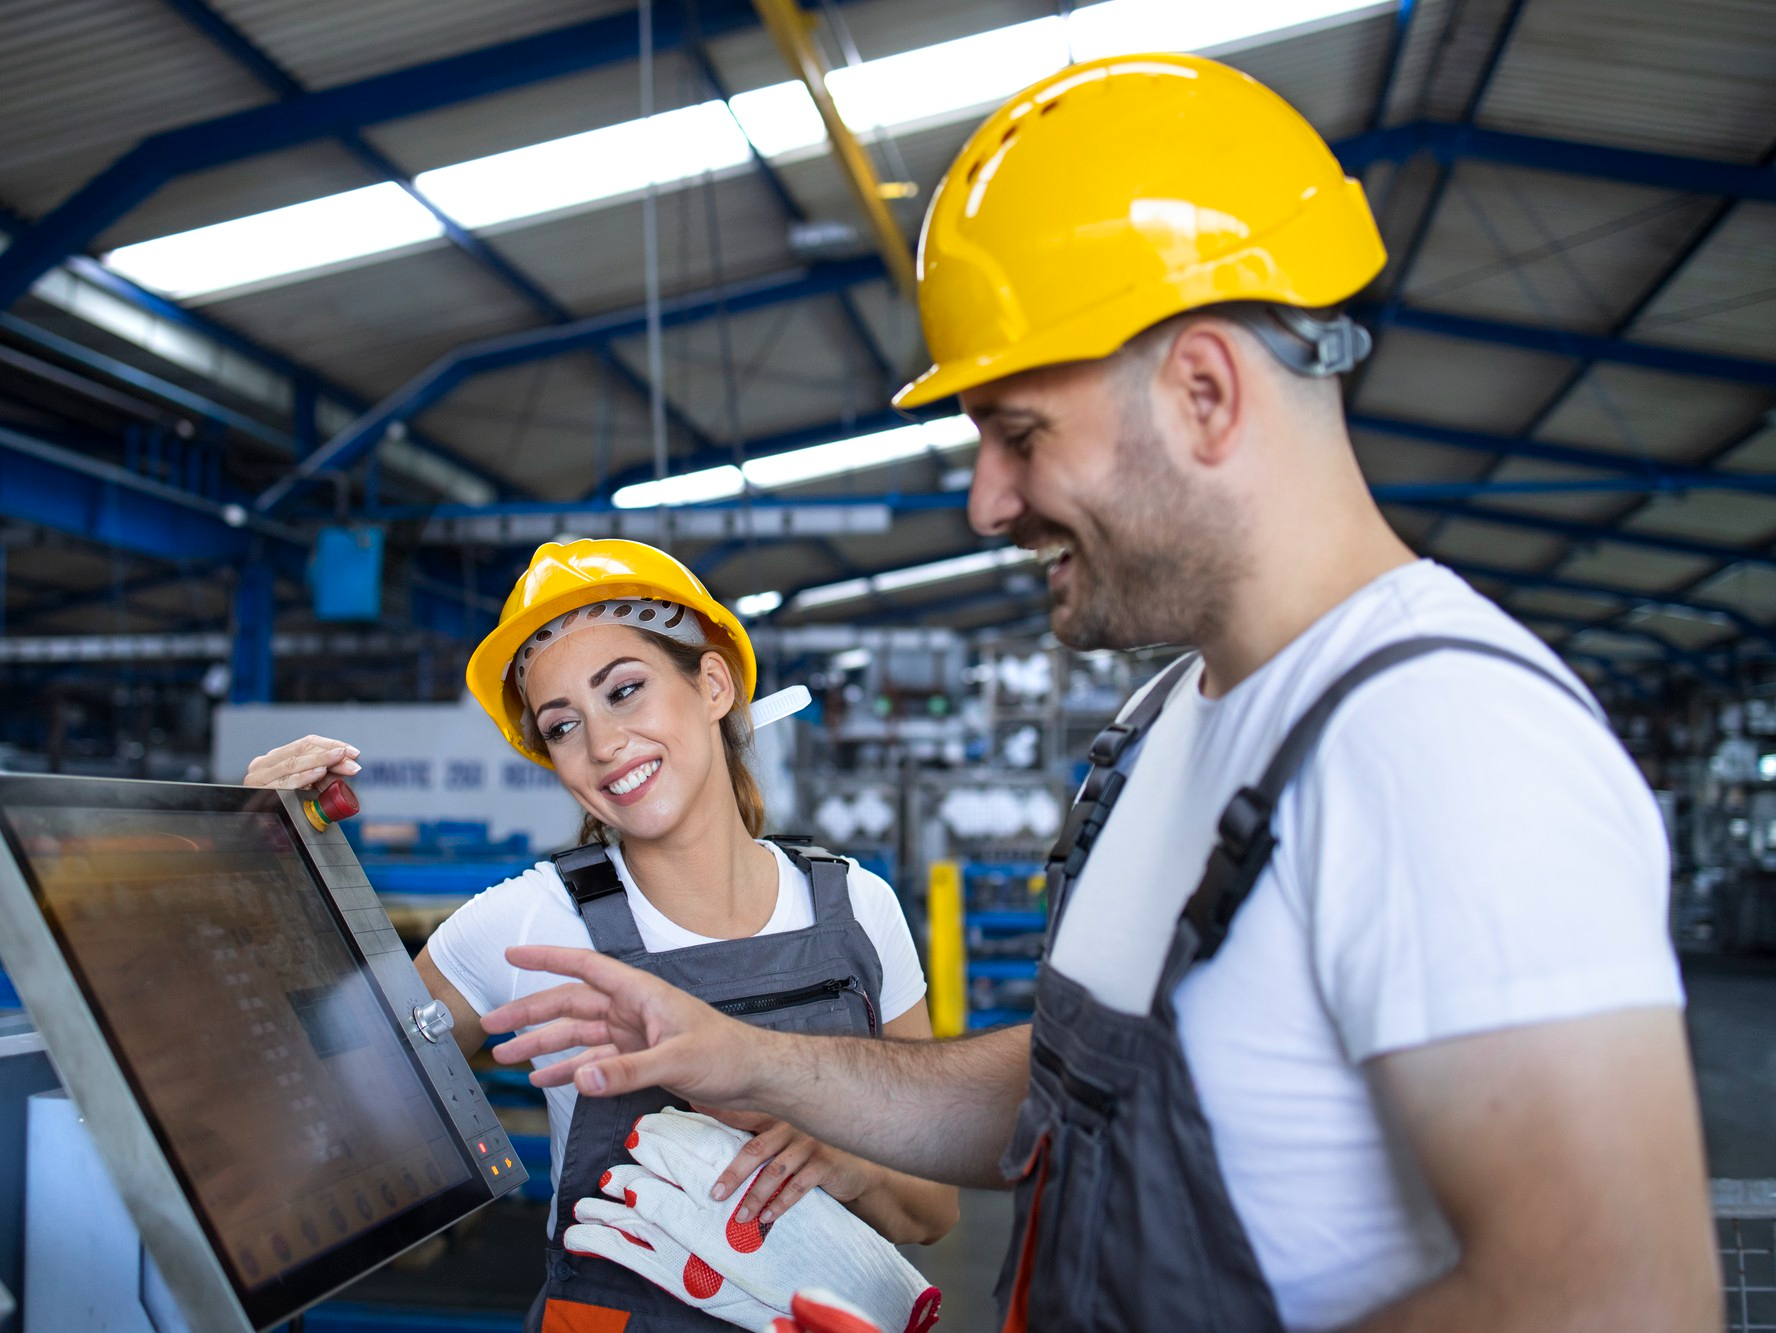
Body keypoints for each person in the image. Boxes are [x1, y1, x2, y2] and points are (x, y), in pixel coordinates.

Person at [473, 53, 1721, 1332]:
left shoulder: (1444, 746)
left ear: (1202, 391)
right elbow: (1067, 1087)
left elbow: (1613, 1300)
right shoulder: (1165, 724)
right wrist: (744, 1056)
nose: (985, 502)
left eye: (1019, 434)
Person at [246, 539, 956, 1332]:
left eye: (624, 690)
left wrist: (850, 1160)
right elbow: (328, 1102)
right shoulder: (526, 923)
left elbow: (931, 1208)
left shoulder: (860, 907)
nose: (603, 743)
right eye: (562, 725)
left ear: (713, 682)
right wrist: (264, 863)